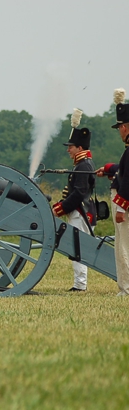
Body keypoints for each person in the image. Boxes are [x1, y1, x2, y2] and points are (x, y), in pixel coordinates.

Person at [52, 112, 95, 292]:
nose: (68, 150)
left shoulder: (84, 165)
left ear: (79, 147)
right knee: (77, 248)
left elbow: (78, 193)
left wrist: (61, 208)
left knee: (78, 249)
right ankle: (79, 284)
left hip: (81, 212)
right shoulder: (82, 164)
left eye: (70, 147)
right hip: (78, 211)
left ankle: (80, 285)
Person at [96, 88, 129, 296]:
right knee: (121, 246)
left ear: (125, 127)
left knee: (124, 248)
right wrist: (110, 170)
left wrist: (122, 207)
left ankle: (126, 289)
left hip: (124, 203)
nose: (119, 131)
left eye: (119, 127)